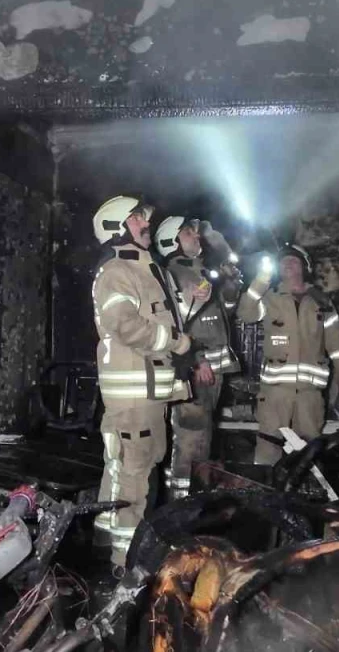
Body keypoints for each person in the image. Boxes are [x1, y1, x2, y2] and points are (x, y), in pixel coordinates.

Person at [89, 195, 206, 570]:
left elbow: (163, 320)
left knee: (129, 467)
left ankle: (106, 542)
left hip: (150, 390)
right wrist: (176, 342)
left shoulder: (150, 269)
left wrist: (191, 303)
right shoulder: (116, 272)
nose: (146, 224)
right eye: (137, 219)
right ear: (116, 228)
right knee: (136, 475)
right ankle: (127, 562)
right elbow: (125, 326)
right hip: (133, 393)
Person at [153, 215, 242, 499]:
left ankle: (196, 497)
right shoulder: (174, 275)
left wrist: (230, 283)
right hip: (195, 369)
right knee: (190, 436)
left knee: (203, 436)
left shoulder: (199, 271)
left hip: (212, 369)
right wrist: (198, 359)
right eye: (188, 233)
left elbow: (224, 312)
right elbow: (177, 323)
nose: (196, 236)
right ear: (172, 241)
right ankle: (180, 502)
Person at [240, 243, 339, 464]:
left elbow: (335, 340)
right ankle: (265, 485)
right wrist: (261, 280)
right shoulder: (269, 297)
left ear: (304, 267)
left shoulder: (321, 301)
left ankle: (305, 486)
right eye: (282, 261)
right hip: (275, 391)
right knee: (269, 444)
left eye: (293, 260)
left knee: (309, 447)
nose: (287, 264)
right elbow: (245, 313)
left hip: (310, 392)